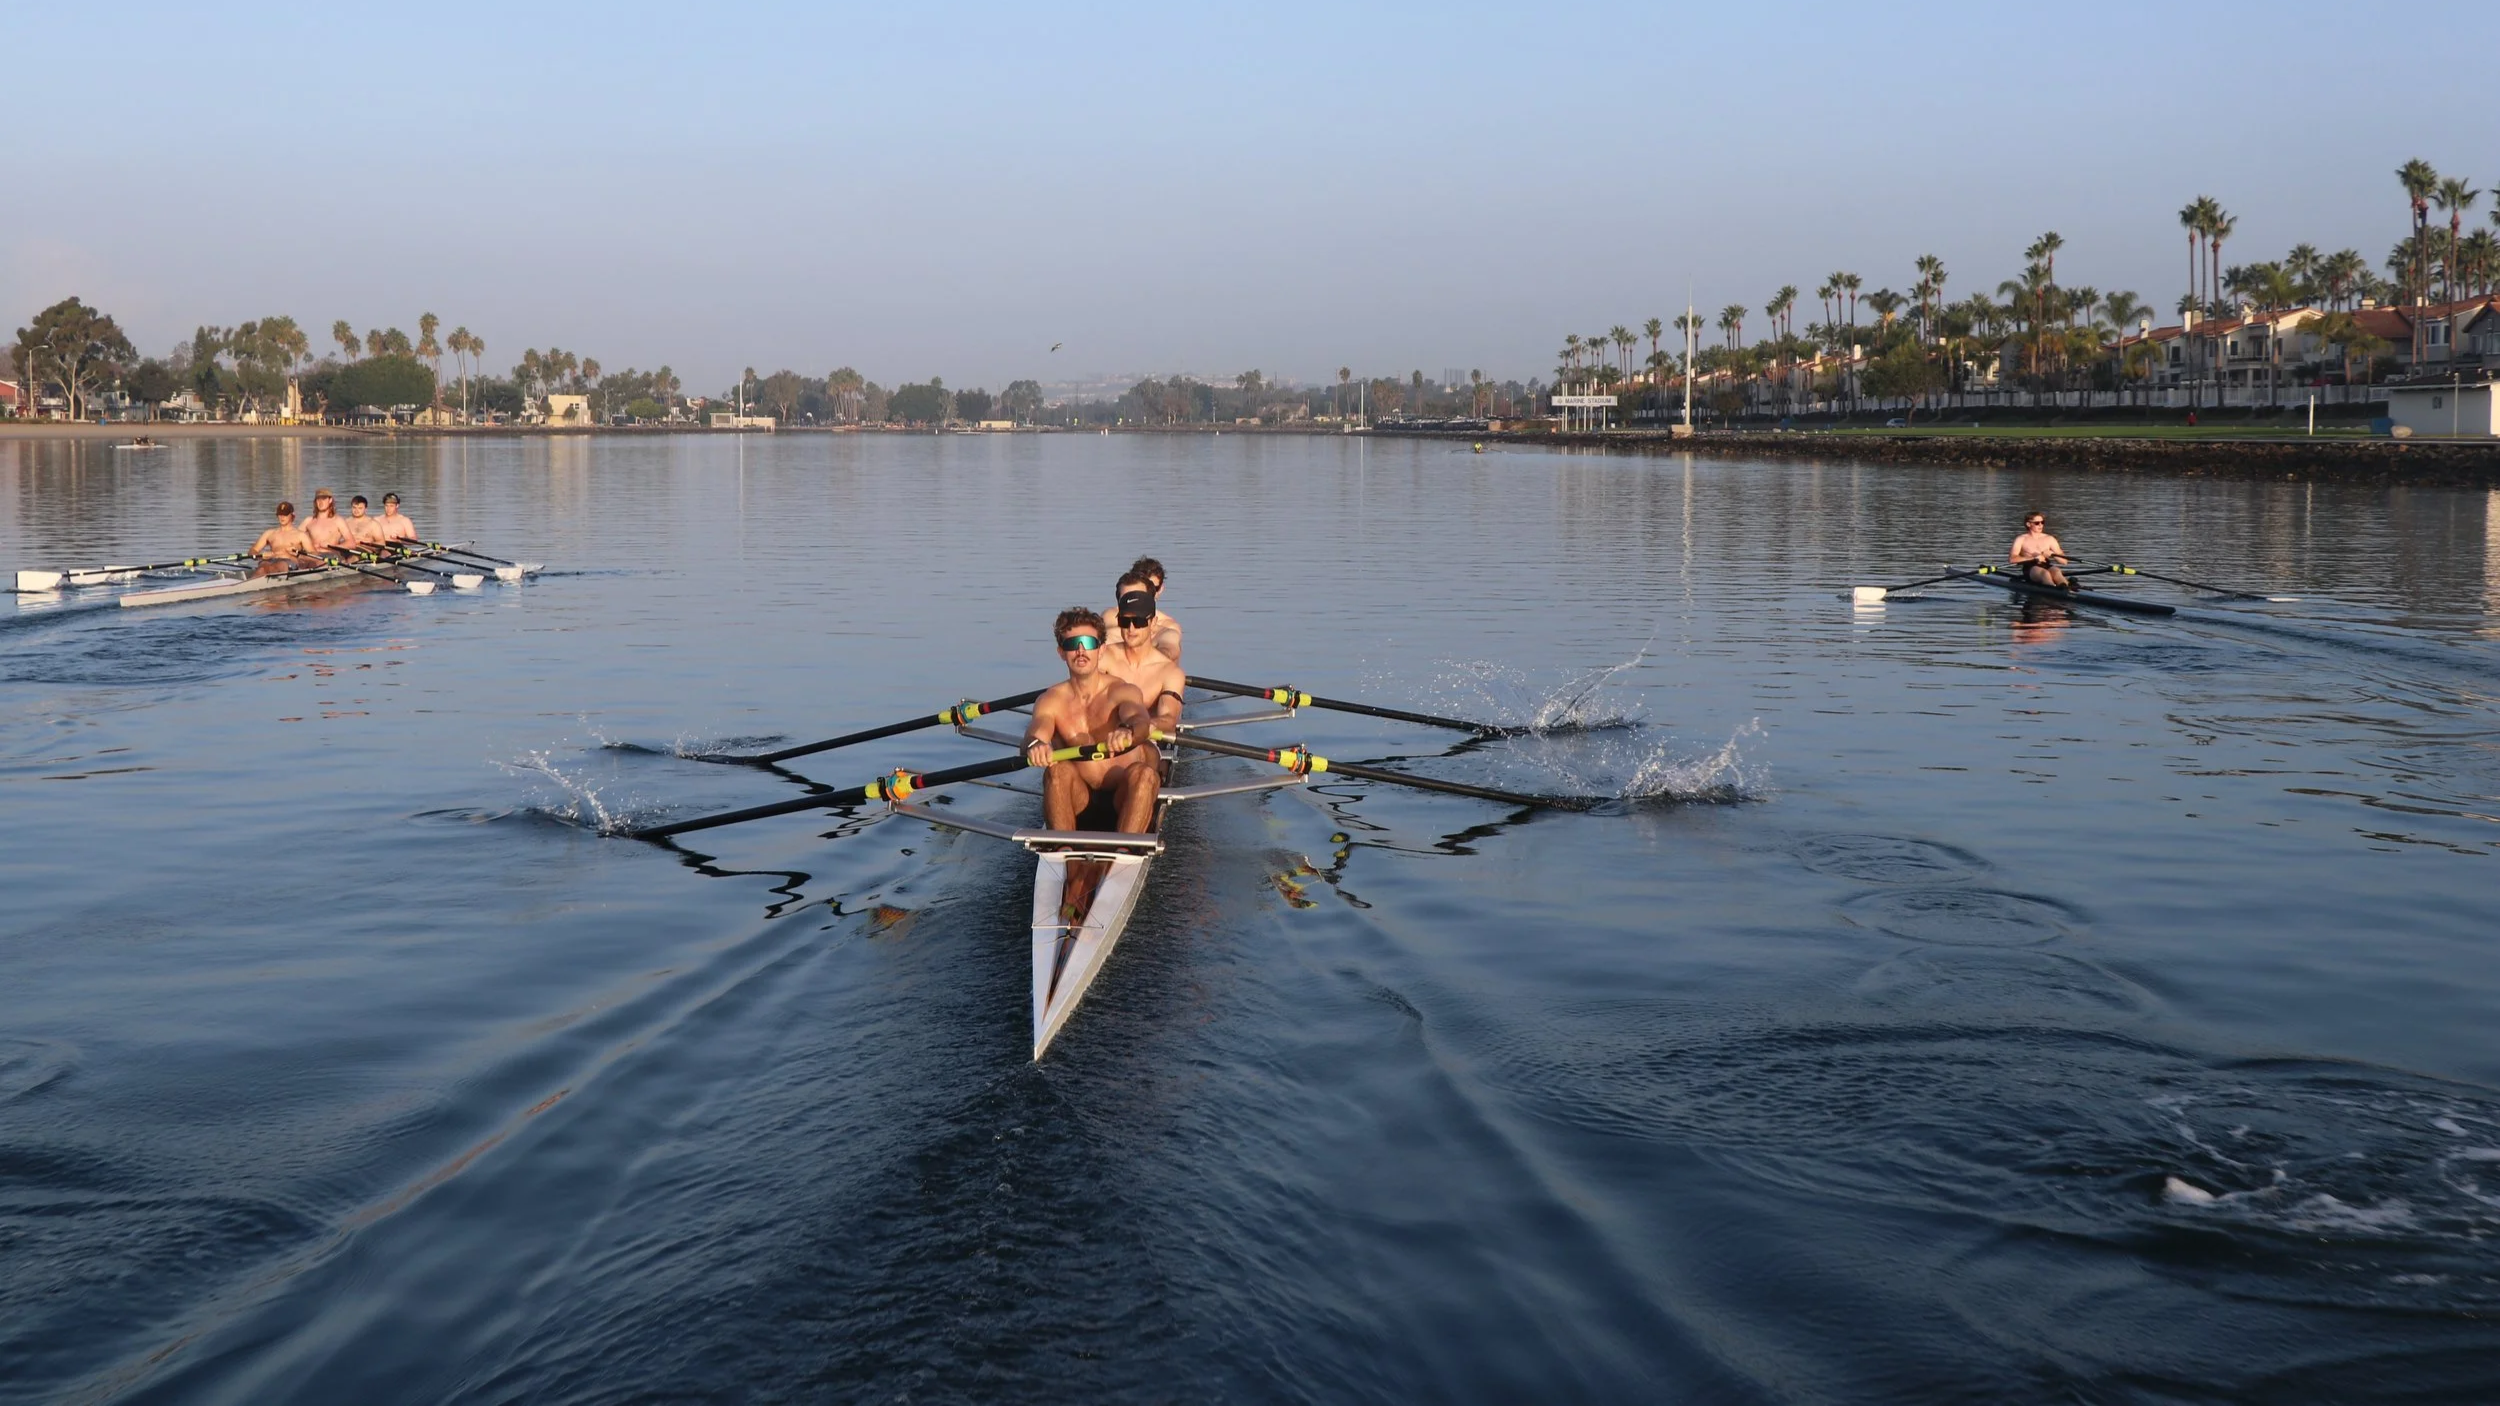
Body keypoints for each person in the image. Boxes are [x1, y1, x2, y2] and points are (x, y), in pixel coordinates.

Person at [1102, 572, 1187, 738]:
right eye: (1125, 622)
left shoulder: (1169, 671)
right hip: (1105, 738)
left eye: (1139, 621)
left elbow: (1168, 719)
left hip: (1146, 740)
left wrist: (1143, 726)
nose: (1131, 629)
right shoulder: (1104, 657)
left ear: (1153, 622)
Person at [1119, 556, 1182, 661]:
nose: (1148, 595)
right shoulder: (1111, 617)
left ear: (1160, 589)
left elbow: (1169, 648)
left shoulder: (1170, 627)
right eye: (1143, 591)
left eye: (1153, 589)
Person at [248, 502, 319, 575]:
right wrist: (260, 556)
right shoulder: (269, 533)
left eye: (285, 514)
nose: (282, 517)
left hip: (289, 563)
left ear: (292, 516)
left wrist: (299, 555)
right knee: (262, 567)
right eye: (280, 514)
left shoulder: (301, 535)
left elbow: (314, 555)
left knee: (279, 565)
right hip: (270, 561)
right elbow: (252, 551)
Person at [2009, 511, 2074, 588]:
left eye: (2042, 522)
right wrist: (2033, 558)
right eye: (2037, 523)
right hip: (2030, 568)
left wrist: (2053, 554)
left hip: (2046, 565)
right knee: (2044, 574)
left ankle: (2066, 588)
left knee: (2056, 571)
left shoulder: (2050, 539)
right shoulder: (2021, 539)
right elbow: (2012, 559)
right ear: (2028, 524)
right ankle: (2052, 589)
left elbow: (2064, 562)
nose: (2040, 525)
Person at [301, 489, 355, 557]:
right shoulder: (308, 521)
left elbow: (351, 543)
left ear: (330, 500)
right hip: (312, 555)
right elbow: (295, 538)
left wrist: (332, 546)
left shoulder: (338, 520)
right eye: (318, 499)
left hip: (331, 555)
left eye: (323, 499)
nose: (321, 502)